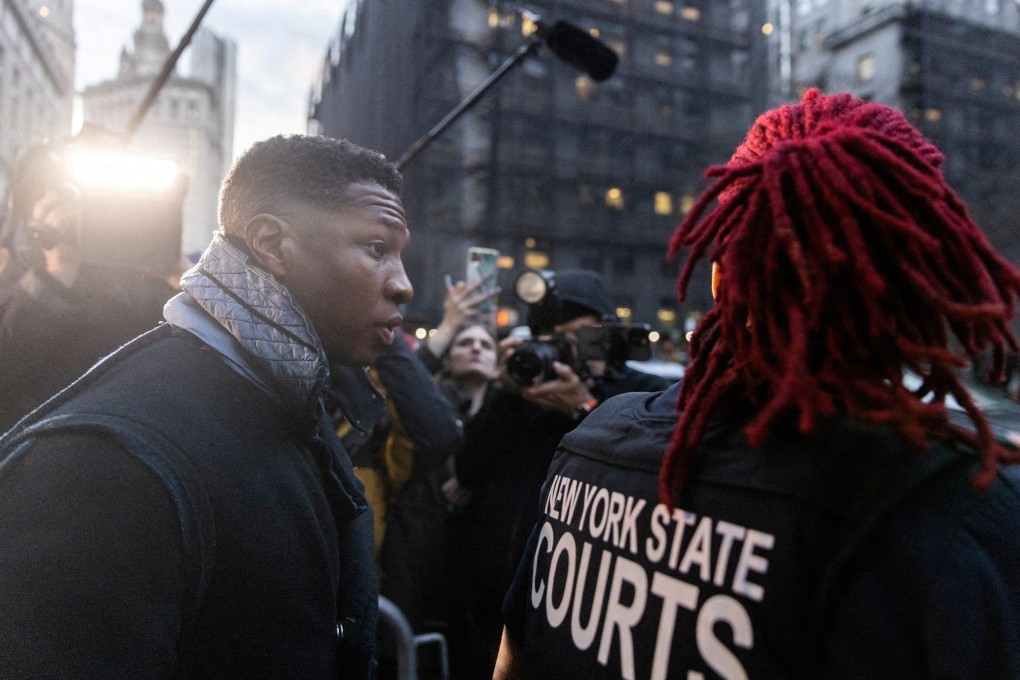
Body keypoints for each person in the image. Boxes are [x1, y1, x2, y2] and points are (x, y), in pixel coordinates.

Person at [494, 90, 1020, 680]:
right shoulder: (960, 519)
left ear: (721, 278)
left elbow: (512, 663)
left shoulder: (595, 443)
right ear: (921, 283)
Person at [0, 134, 413, 678]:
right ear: (271, 242)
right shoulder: (109, 463)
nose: (404, 284)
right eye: (378, 248)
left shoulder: (291, 401)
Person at [456, 269, 673, 674]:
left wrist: (586, 410)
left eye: (578, 338)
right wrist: (507, 392)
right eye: (555, 341)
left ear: (608, 339)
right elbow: (469, 470)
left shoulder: (639, 397)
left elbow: (643, 481)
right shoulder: (521, 397)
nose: (566, 352)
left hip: (574, 606)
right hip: (491, 593)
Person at [0, 148, 177, 431]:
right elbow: (9, 368)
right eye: (67, 204)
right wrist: (58, 266)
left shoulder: (133, 279)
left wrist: (177, 282)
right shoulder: (13, 271)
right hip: (34, 447)